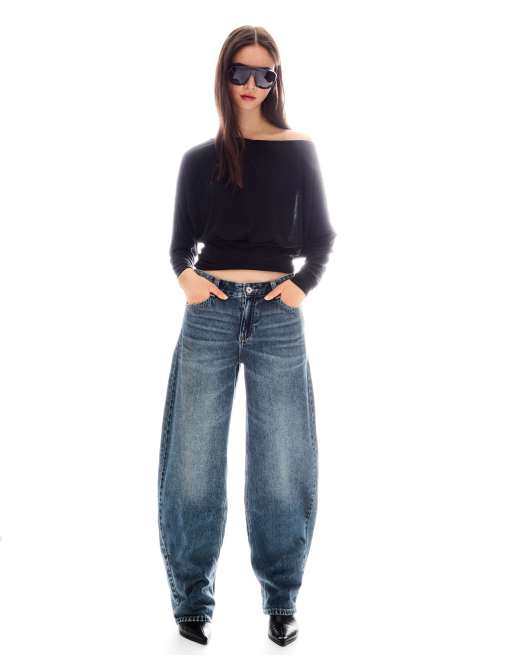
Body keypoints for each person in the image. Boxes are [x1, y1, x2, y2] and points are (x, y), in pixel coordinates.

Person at [158, 25, 337, 647]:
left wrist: (301, 286)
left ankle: (282, 599)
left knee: (282, 463)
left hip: (278, 313)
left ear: (277, 80)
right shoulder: (198, 160)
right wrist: (187, 278)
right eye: (241, 71)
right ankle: (191, 599)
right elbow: (179, 247)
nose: (252, 84)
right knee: (193, 461)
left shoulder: (299, 151)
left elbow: (321, 238)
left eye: (266, 74)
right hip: (209, 311)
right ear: (224, 74)